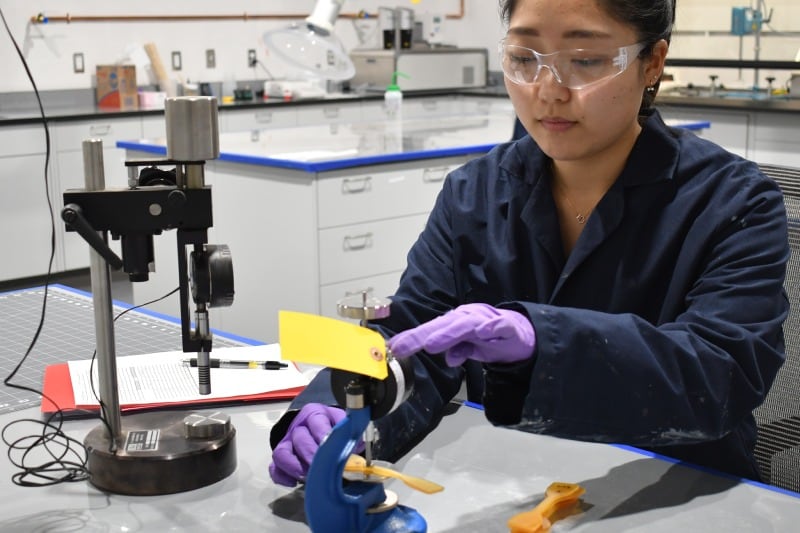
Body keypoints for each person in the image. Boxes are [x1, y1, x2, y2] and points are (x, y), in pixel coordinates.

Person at [268, 0, 789, 487]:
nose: (548, 89)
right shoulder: (474, 192)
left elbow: (722, 372)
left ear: (652, 62)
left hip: (670, 485)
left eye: (585, 60)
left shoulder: (733, 201)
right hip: (509, 480)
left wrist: (544, 339)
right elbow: (413, 338)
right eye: (523, 57)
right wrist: (341, 404)